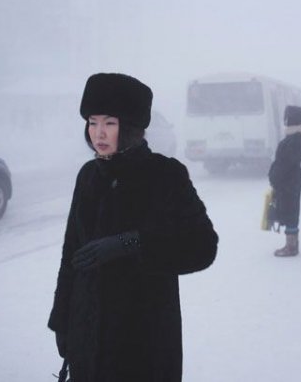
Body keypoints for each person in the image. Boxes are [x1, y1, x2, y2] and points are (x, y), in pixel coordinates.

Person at [48, 73, 218, 381]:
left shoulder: (165, 175)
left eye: (109, 123)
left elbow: (203, 246)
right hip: (87, 333)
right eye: (92, 122)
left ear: (131, 128)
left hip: (143, 342)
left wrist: (131, 243)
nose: (98, 133)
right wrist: (62, 320)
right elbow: (70, 253)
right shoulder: (88, 176)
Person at [268, 106, 301, 256]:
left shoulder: (297, 136)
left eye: (287, 117)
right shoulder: (296, 135)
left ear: (294, 119)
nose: (285, 120)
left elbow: (287, 161)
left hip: (289, 180)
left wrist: (276, 175)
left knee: (290, 210)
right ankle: (291, 244)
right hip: (288, 179)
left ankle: (291, 246)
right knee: (288, 209)